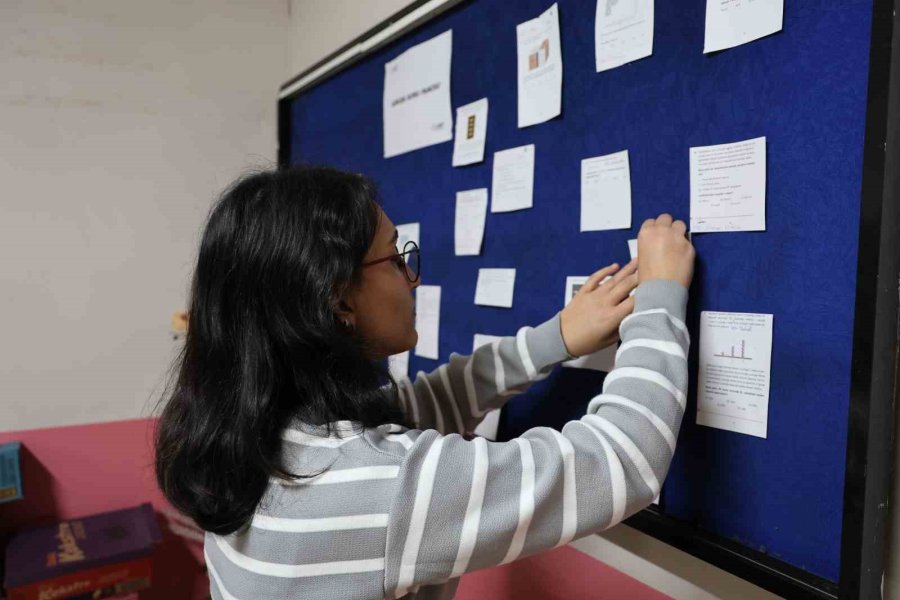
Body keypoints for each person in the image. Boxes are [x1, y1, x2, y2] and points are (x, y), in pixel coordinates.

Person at [155, 165, 695, 599]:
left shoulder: (248, 439)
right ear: (338, 298)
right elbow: (623, 459)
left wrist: (557, 338)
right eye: (396, 258)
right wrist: (660, 295)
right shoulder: (376, 487)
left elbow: (415, 406)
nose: (413, 276)